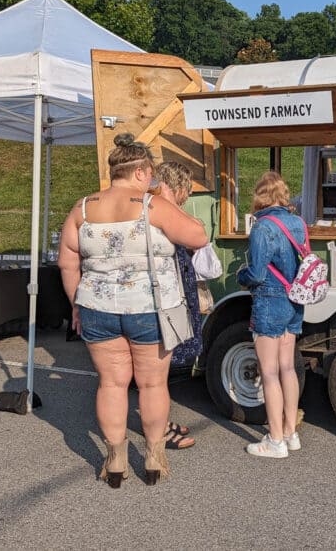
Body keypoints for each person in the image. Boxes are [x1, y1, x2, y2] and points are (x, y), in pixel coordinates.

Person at [57, 133, 208, 487]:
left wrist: (76, 304)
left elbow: (67, 263)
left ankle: (115, 458)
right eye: (151, 174)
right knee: (152, 384)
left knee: (111, 383)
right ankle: (154, 456)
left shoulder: (82, 208)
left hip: (96, 307)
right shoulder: (151, 205)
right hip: (149, 310)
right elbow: (198, 236)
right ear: (141, 171)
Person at [237, 171, 305, 458]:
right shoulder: (298, 222)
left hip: (269, 299)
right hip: (294, 299)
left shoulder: (262, 227)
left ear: (260, 197)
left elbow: (257, 273)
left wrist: (241, 274)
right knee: (287, 368)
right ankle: (291, 433)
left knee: (268, 371)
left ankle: (275, 440)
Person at [152, 160, 203, 450]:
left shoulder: (158, 209)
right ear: (177, 186)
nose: (188, 196)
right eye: (187, 190)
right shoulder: (161, 208)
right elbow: (198, 235)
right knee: (158, 368)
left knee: (163, 365)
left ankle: (160, 420)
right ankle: (157, 430)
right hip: (165, 295)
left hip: (172, 291)